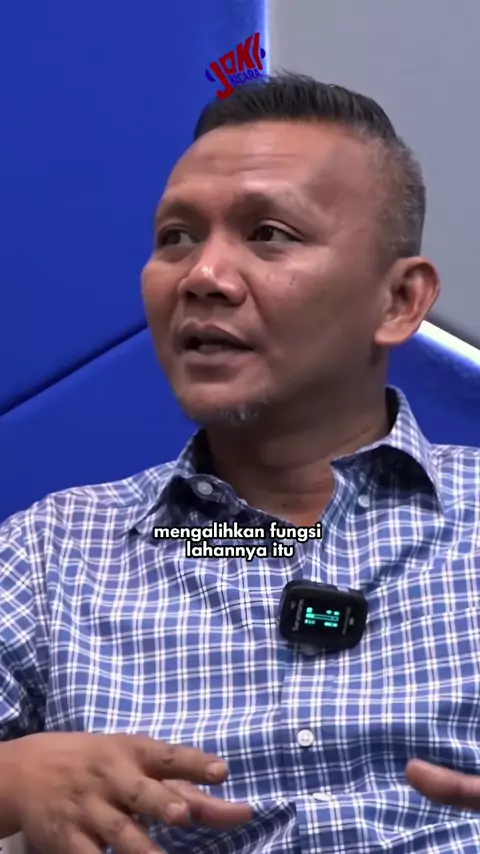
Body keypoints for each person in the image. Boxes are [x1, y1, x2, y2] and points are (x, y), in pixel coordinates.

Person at [1, 72, 480, 854]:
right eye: (176, 237)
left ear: (399, 302)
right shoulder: (51, 553)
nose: (203, 276)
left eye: (269, 234)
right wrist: (13, 779)